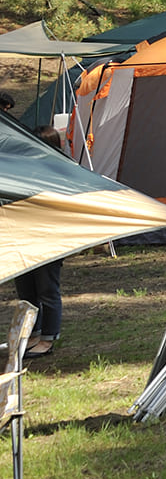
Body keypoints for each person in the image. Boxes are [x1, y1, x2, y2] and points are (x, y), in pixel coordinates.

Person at [16, 127, 67, 357]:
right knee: (26, 290)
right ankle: (34, 334)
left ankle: (48, 339)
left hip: (48, 239)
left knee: (47, 290)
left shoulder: (61, 170)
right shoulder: (26, 169)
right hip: (24, 236)